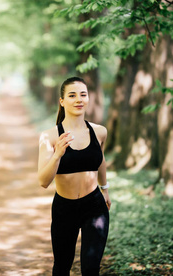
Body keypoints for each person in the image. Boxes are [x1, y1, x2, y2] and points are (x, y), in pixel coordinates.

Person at [38, 76, 111, 276]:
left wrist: (104, 190)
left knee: (90, 269)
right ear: (62, 101)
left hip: (94, 207)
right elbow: (43, 181)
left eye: (83, 94)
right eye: (72, 95)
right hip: (64, 208)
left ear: (88, 98)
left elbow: (100, 161)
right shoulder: (50, 136)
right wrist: (57, 155)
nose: (78, 99)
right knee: (62, 267)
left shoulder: (99, 132)